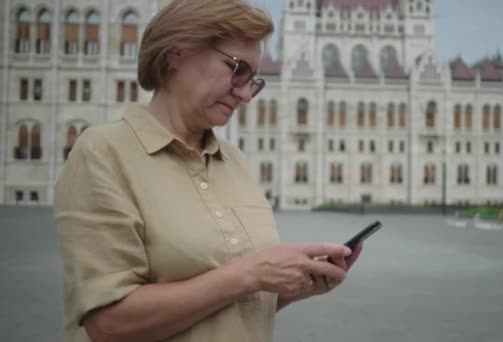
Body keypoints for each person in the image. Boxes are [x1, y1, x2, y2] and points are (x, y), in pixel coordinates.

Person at [54, 1, 362, 341]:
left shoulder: (235, 162)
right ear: (176, 52)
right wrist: (252, 274)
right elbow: (109, 324)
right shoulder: (103, 153)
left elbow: (230, 305)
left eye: (254, 81)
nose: (246, 94)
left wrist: (296, 283)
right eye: (238, 69)